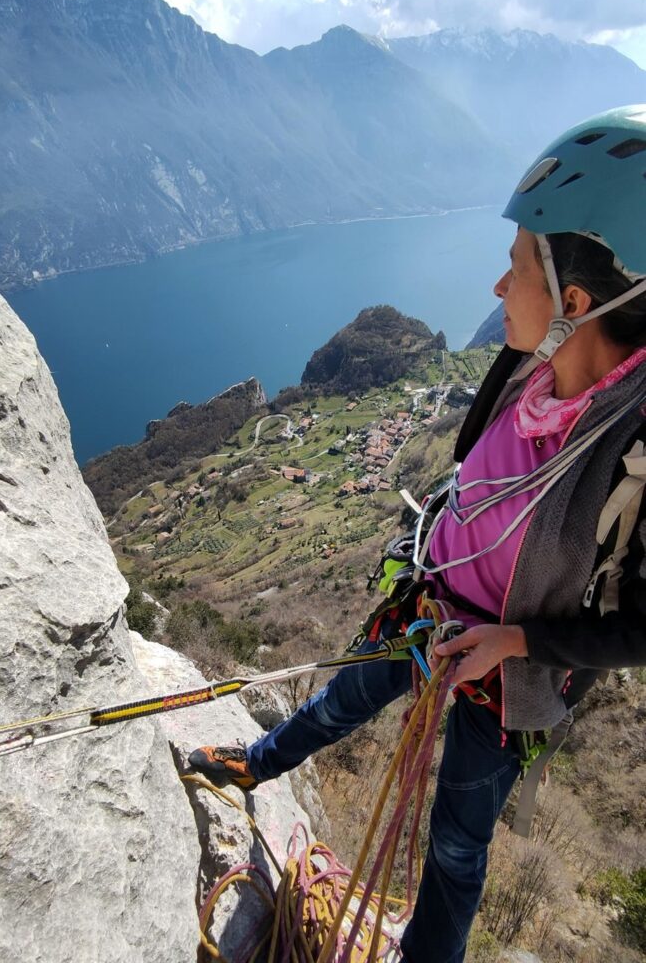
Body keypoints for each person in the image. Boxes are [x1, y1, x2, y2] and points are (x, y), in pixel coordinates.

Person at [188, 105, 646, 962]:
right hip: (427, 611)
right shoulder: (526, 368)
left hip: (509, 678)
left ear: (574, 301)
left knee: (456, 844)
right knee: (342, 700)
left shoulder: (634, 443)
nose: (496, 291)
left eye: (516, 271)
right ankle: (259, 762)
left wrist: (512, 640)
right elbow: (475, 474)